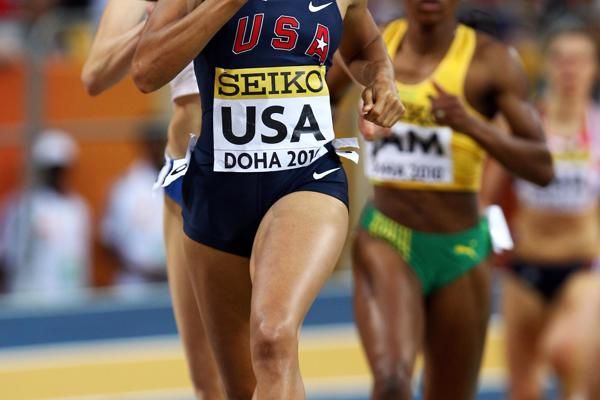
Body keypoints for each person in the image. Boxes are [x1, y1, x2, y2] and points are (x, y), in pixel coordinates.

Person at [132, 0, 405, 398]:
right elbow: (146, 72)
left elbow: (363, 46)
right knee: (245, 386)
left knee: (273, 339)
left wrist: (381, 77)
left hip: (307, 178)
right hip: (217, 193)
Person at [352, 0, 554, 399]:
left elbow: (542, 168)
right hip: (387, 236)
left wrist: (470, 124)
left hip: (460, 247)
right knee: (392, 381)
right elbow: (316, 97)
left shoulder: (491, 61)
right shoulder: (372, 46)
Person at [81, 1, 224, 398]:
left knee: (269, 349)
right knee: (208, 380)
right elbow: (94, 75)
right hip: (189, 175)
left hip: (270, 168)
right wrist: (159, 20)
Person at [483, 22, 600, 400]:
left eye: (578, 61)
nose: (569, 70)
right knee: (523, 389)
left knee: (564, 352)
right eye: (561, 60)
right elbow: (485, 196)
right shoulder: (522, 124)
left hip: (582, 269)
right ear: (546, 66)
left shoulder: (598, 128)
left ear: (593, 67)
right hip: (523, 272)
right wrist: (496, 245)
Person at [0, 129, 91, 302]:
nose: (57, 175)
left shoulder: (78, 207)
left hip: (72, 299)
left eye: (61, 168)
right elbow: (7, 259)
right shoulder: (22, 206)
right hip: (32, 300)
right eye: (52, 169)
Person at [101, 123, 168, 294]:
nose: (158, 147)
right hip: (135, 284)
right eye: (153, 142)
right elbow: (109, 238)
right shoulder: (125, 186)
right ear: (144, 145)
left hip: (174, 282)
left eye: (162, 141)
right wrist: (140, 267)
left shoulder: (184, 180)